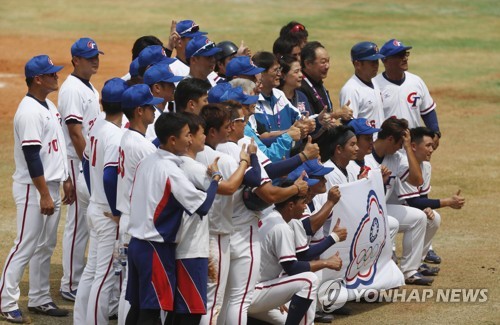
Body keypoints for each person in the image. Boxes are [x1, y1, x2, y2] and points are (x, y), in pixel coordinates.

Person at [125, 113, 220, 325]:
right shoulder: (170, 170)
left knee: (138, 307)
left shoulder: (146, 161)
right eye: (187, 135)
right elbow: (203, 207)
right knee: (151, 311)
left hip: (137, 244)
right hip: (155, 249)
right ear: (172, 140)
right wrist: (215, 179)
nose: (190, 139)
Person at [0, 55, 72, 323]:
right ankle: (6, 301)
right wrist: (43, 193)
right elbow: (32, 155)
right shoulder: (29, 111)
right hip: (34, 188)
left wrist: (65, 178)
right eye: (51, 74)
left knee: (45, 245)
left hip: (50, 184)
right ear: (37, 79)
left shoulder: (48, 105)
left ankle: (40, 298)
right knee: (25, 245)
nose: (56, 76)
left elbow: (56, 147)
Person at [248, 180, 344, 325]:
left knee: (293, 319)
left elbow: (298, 259)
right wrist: (326, 262)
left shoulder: (271, 216)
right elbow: (292, 268)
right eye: (302, 203)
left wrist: (276, 297)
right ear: (291, 205)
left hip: (253, 290)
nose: (305, 207)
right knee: (309, 280)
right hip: (254, 293)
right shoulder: (281, 227)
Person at [73, 78, 129, 325]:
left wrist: (94, 191)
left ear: (102, 102)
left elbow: (85, 162)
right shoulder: (117, 136)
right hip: (107, 213)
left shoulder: (96, 126)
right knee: (104, 276)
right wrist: (116, 210)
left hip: (95, 207)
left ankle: (81, 321)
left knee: (92, 271)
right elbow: (109, 175)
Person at [58, 37, 103, 301]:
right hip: (78, 162)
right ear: (76, 60)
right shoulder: (72, 89)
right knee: (77, 225)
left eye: (97, 55)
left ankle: (76, 278)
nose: (95, 60)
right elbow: (75, 132)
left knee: (84, 223)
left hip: (86, 161)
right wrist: (88, 163)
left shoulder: (86, 85)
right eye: (89, 57)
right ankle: (70, 283)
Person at [364, 118, 434, 285]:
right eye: (399, 144)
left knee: (419, 217)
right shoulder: (365, 157)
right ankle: (378, 273)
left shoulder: (396, 157)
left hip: (383, 208)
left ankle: (410, 270)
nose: (400, 149)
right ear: (389, 139)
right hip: (364, 211)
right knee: (392, 222)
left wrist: (409, 148)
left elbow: (417, 180)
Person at [115, 84, 160, 325]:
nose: (155, 109)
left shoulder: (127, 137)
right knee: (131, 290)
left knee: (130, 287)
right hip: (136, 222)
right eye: (151, 106)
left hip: (128, 217)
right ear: (139, 111)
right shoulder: (141, 146)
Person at [395, 127, 465, 266]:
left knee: (433, 218)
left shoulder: (426, 166)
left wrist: (426, 207)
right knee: (419, 216)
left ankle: (417, 263)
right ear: (413, 146)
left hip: (404, 209)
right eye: (428, 145)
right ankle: (409, 269)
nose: (431, 149)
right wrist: (448, 202)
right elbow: (413, 201)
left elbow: (422, 196)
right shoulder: (404, 163)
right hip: (391, 209)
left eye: (432, 146)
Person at [374, 39, 441, 146]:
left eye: (405, 54)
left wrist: (436, 132)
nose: (405, 58)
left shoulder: (416, 81)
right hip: (388, 148)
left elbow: (427, 111)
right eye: (399, 55)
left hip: (413, 145)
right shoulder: (375, 86)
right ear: (385, 60)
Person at [339, 41, 385, 129]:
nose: (376, 65)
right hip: (366, 142)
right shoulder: (351, 90)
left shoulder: (375, 82)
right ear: (357, 64)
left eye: (377, 61)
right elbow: (350, 127)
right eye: (372, 62)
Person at [143, 63, 183, 139]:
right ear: (157, 88)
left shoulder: (161, 111)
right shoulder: (150, 119)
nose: (174, 87)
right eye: (170, 84)